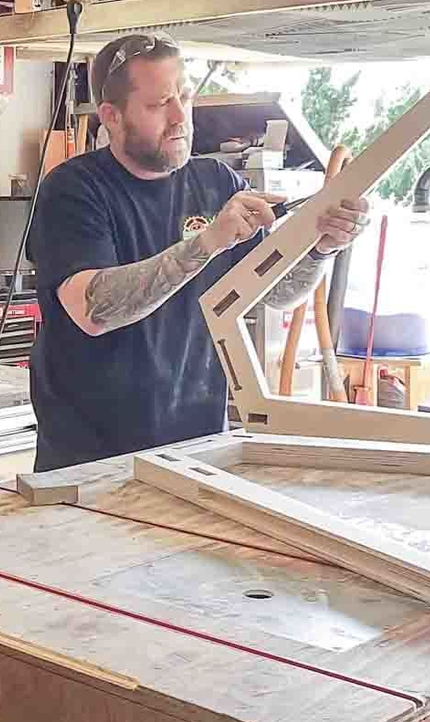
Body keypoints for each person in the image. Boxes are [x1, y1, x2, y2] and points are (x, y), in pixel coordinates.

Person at [27, 33, 369, 472]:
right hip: (91, 456)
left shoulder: (218, 184)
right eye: (158, 105)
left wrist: (321, 247)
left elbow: (274, 293)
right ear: (111, 117)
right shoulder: (74, 190)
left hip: (197, 444)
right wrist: (207, 243)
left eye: (185, 97)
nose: (180, 118)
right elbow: (94, 310)